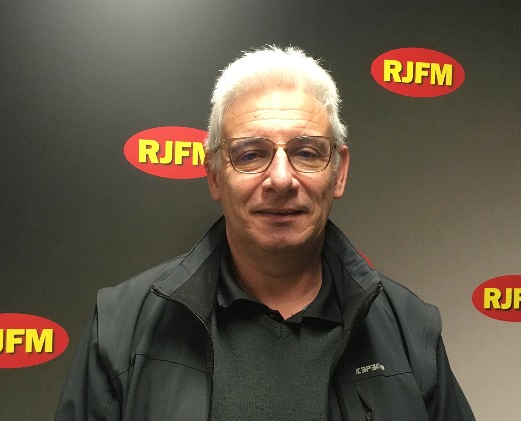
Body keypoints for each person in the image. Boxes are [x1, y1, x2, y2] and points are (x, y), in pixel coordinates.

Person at [55, 45, 475, 421]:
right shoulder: (121, 329)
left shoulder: (411, 329)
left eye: (306, 152)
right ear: (214, 174)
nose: (281, 179)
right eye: (251, 154)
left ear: (339, 172)